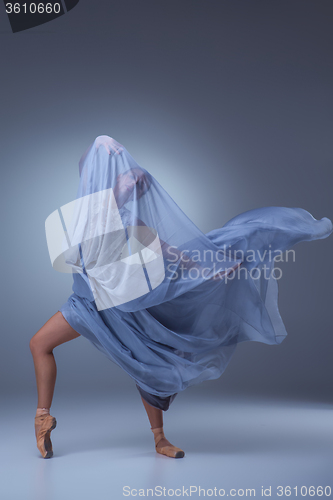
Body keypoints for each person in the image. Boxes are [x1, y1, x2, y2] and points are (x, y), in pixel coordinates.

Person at [30, 135, 332, 460]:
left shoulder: (115, 214)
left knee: (145, 366)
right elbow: (102, 205)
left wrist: (208, 267)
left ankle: (148, 437)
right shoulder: (97, 210)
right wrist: (108, 153)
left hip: (114, 308)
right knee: (62, 349)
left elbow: (165, 249)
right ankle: (50, 421)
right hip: (91, 305)